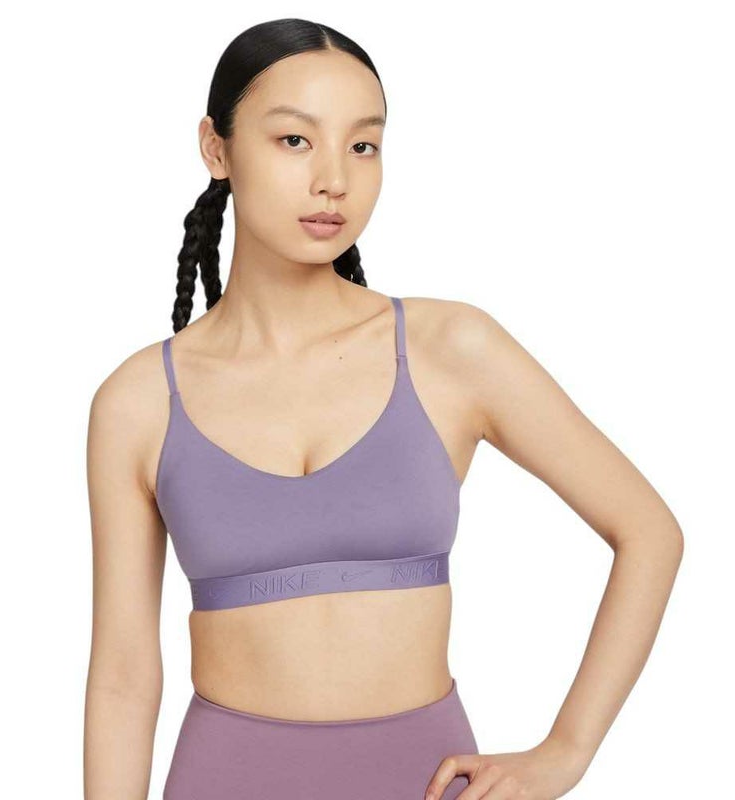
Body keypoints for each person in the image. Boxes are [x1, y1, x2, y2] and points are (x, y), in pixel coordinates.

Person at [83, 17, 684, 800]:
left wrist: (565, 752)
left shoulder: (451, 349)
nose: (334, 178)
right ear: (216, 148)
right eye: (294, 140)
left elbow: (648, 532)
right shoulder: (137, 402)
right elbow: (124, 676)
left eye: (363, 145)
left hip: (426, 782)